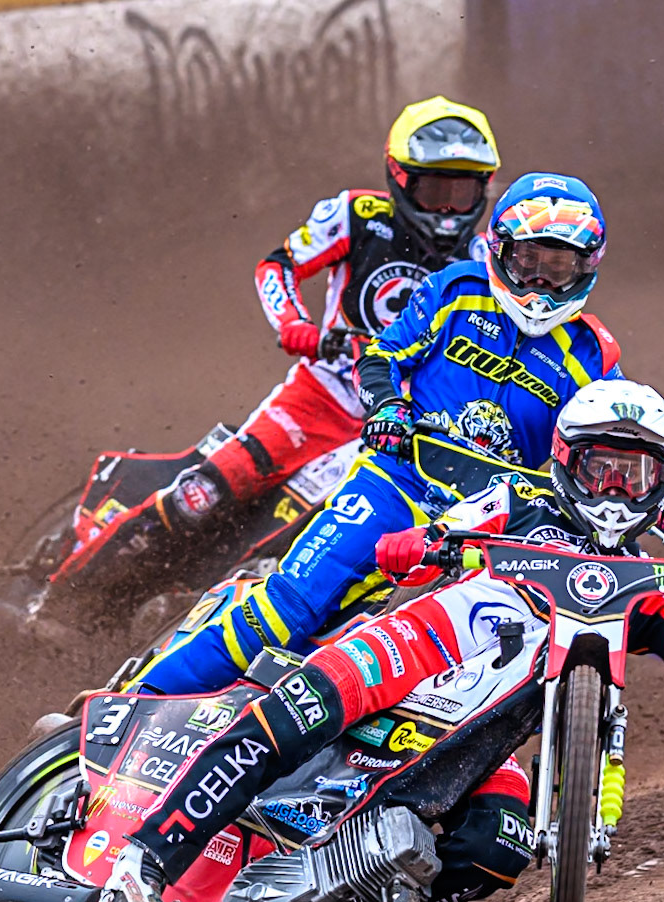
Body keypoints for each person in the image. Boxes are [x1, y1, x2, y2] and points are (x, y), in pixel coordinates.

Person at [101, 380, 664, 902]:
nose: (612, 490)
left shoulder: (642, 583)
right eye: (600, 468)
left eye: (630, 474)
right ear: (567, 461)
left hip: (473, 741)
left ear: (659, 482)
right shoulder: (522, 499)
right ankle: (143, 863)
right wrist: (420, 544)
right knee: (288, 721)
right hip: (400, 657)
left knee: (502, 840)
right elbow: (445, 529)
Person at [133, 169, 664, 698]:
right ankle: (137, 703)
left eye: (558, 269)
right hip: (397, 482)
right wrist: (385, 407)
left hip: (495, 529)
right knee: (290, 606)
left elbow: (637, 428)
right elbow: (382, 357)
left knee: (463, 676)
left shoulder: (592, 351)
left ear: (586, 269)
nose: (538, 283)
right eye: (528, 261)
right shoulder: (454, 291)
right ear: (499, 249)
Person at [53, 97, 502, 579]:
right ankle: (59, 598)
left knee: (331, 547)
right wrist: (297, 327)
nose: (449, 209)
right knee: (201, 495)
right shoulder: (358, 215)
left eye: (463, 192)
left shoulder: (487, 264)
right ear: (399, 177)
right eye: (436, 191)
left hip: (395, 427)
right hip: (320, 397)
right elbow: (279, 266)